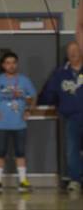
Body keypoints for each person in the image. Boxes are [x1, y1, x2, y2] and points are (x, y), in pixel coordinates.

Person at [0, 52, 37, 193]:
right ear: (3, 65)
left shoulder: (24, 80)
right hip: (1, 125)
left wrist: (29, 110)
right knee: (0, 153)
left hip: (20, 124)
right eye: (8, 63)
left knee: (20, 153)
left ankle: (23, 182)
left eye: (13, 62)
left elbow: (33, 96)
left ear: (17, 64)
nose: (11, 65)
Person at [39, 41, 83, 193]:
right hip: (71, 118)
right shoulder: (60, 73)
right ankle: (75, 180)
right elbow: (49, 92)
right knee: (72, 150)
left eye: (75, 50)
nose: (73, 54)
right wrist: (44, 103)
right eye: (70, 51)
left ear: (80, 52)